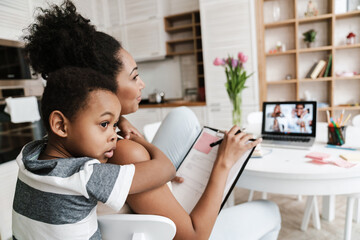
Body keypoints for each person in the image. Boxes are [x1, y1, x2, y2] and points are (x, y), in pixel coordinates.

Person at [23, 1, 281, 239]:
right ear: (106, 91)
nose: (142, 84)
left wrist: (118, 120)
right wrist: (224, 162)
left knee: (182, 116)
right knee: (270, 211)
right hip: (177, 233)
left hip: (144, 200)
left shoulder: (44, 152)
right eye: (134, 77)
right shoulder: (123, 153)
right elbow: (194, 236)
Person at [12, 67, 175, 239]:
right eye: (105, 124)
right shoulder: (85, 176)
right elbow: (167, 168)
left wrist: (117, 121)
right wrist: (137, 139)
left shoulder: (28, 155)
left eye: (115, 125)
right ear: (60, 125)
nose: (114, 135)